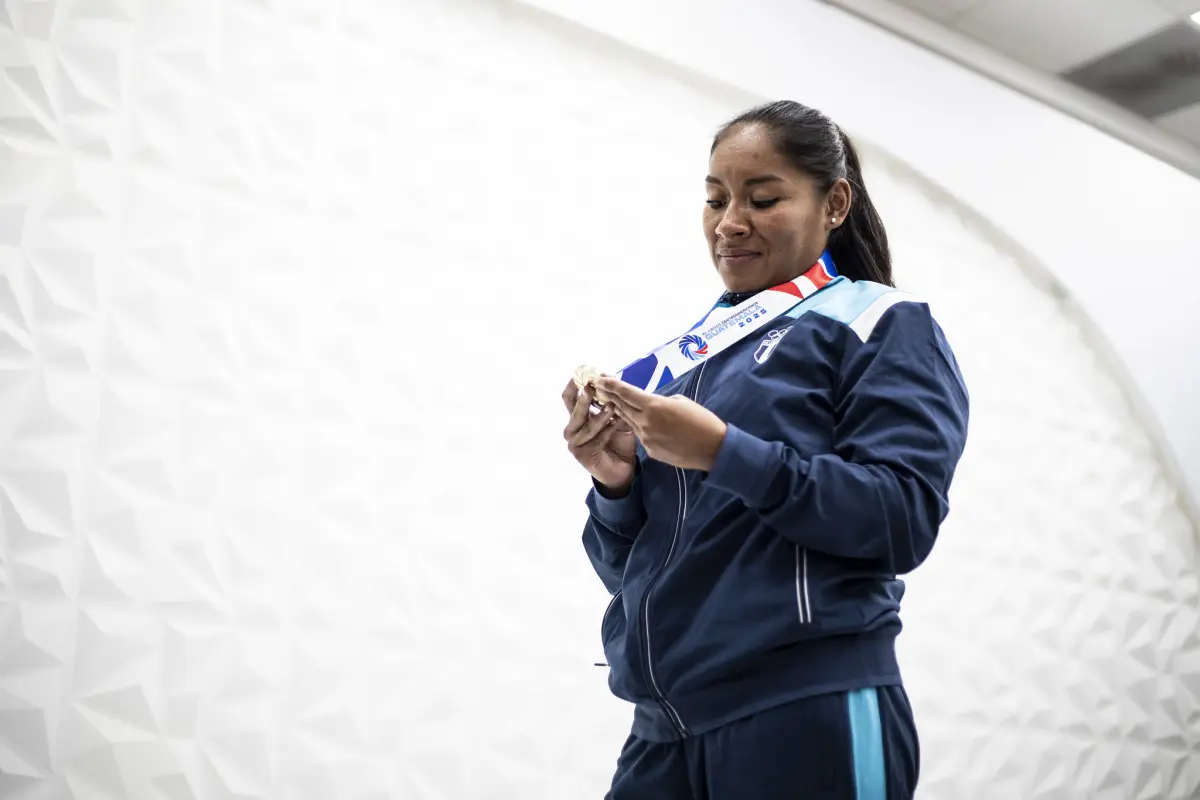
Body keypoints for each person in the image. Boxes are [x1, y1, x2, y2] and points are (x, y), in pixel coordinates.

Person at [560, 100, 970, 799]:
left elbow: (900, 518)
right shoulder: (682, 366)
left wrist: (725, 453)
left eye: (762, 197)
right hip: (664, 732)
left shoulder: (880, 323)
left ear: (834, 202)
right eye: (715, 199)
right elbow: (639, 570)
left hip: (802, 708)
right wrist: (616, 488)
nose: (730, 223)